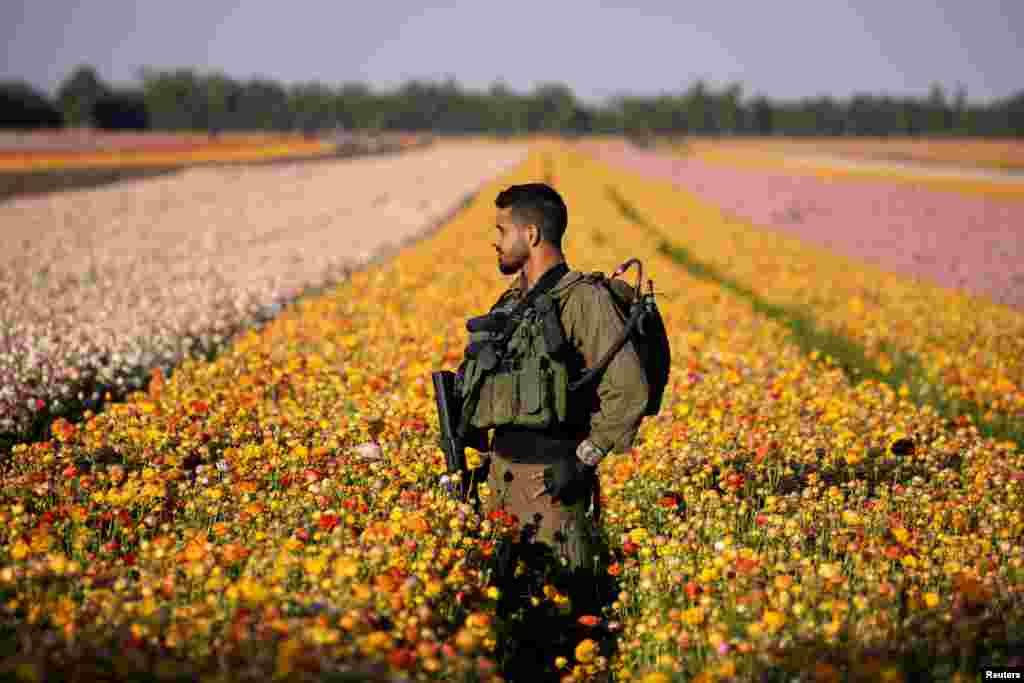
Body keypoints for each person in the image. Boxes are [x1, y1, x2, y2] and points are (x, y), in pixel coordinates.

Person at [458, 183, 649, 675]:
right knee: (507, 620)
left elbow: (628, 390)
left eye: (501, 230)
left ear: (532, 232)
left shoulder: (582, 300)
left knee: (563, 624)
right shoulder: (512, 301)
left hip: (550, 482)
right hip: (500, 478)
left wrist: (583, 461)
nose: (494, 241)